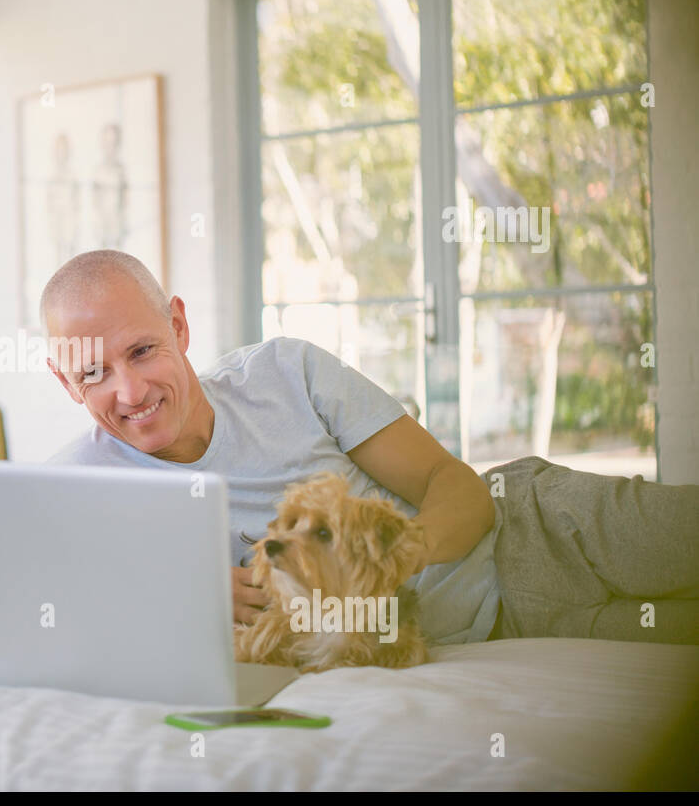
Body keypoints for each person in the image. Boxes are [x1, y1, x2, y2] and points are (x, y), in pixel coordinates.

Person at [40, 249, 699, 646]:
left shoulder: (284, 372)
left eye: (142, 350)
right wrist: (173, 596)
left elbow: (456, 484)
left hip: (539, 529)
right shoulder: (71, 489)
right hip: (512, 631)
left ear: (178, 325)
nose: (128, 390)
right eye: (93, 371)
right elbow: (9, 612)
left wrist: (386, 559)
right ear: (64, 381)